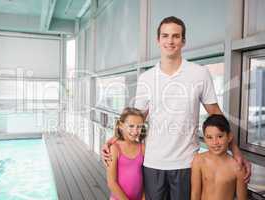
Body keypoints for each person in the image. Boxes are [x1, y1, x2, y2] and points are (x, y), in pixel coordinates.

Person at [103, 16, 251, 200]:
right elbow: (135, 120)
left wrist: (235, 150)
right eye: (165, 36)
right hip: (153, 162)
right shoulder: (146, 78)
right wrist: (114, 141)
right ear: (158, 40)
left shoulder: (200, 73)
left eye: (175, 36)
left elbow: (216, 114)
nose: (170, 41)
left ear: (183, 41)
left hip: (186, 163)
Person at [191, 114, 247, 200]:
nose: (215, 142)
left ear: (229, 137)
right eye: (209, 137)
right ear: (204, 139)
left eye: (220, 136)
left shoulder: (237, 167)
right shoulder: (199, 160)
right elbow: (195, 194)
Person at [106, 107, 146, 200]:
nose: (135, 131)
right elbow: (111, 182)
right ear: (121, 125)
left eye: (139, 126)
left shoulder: (142, 148)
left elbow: (146, 179)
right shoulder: (115, 148)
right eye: (131, 126)